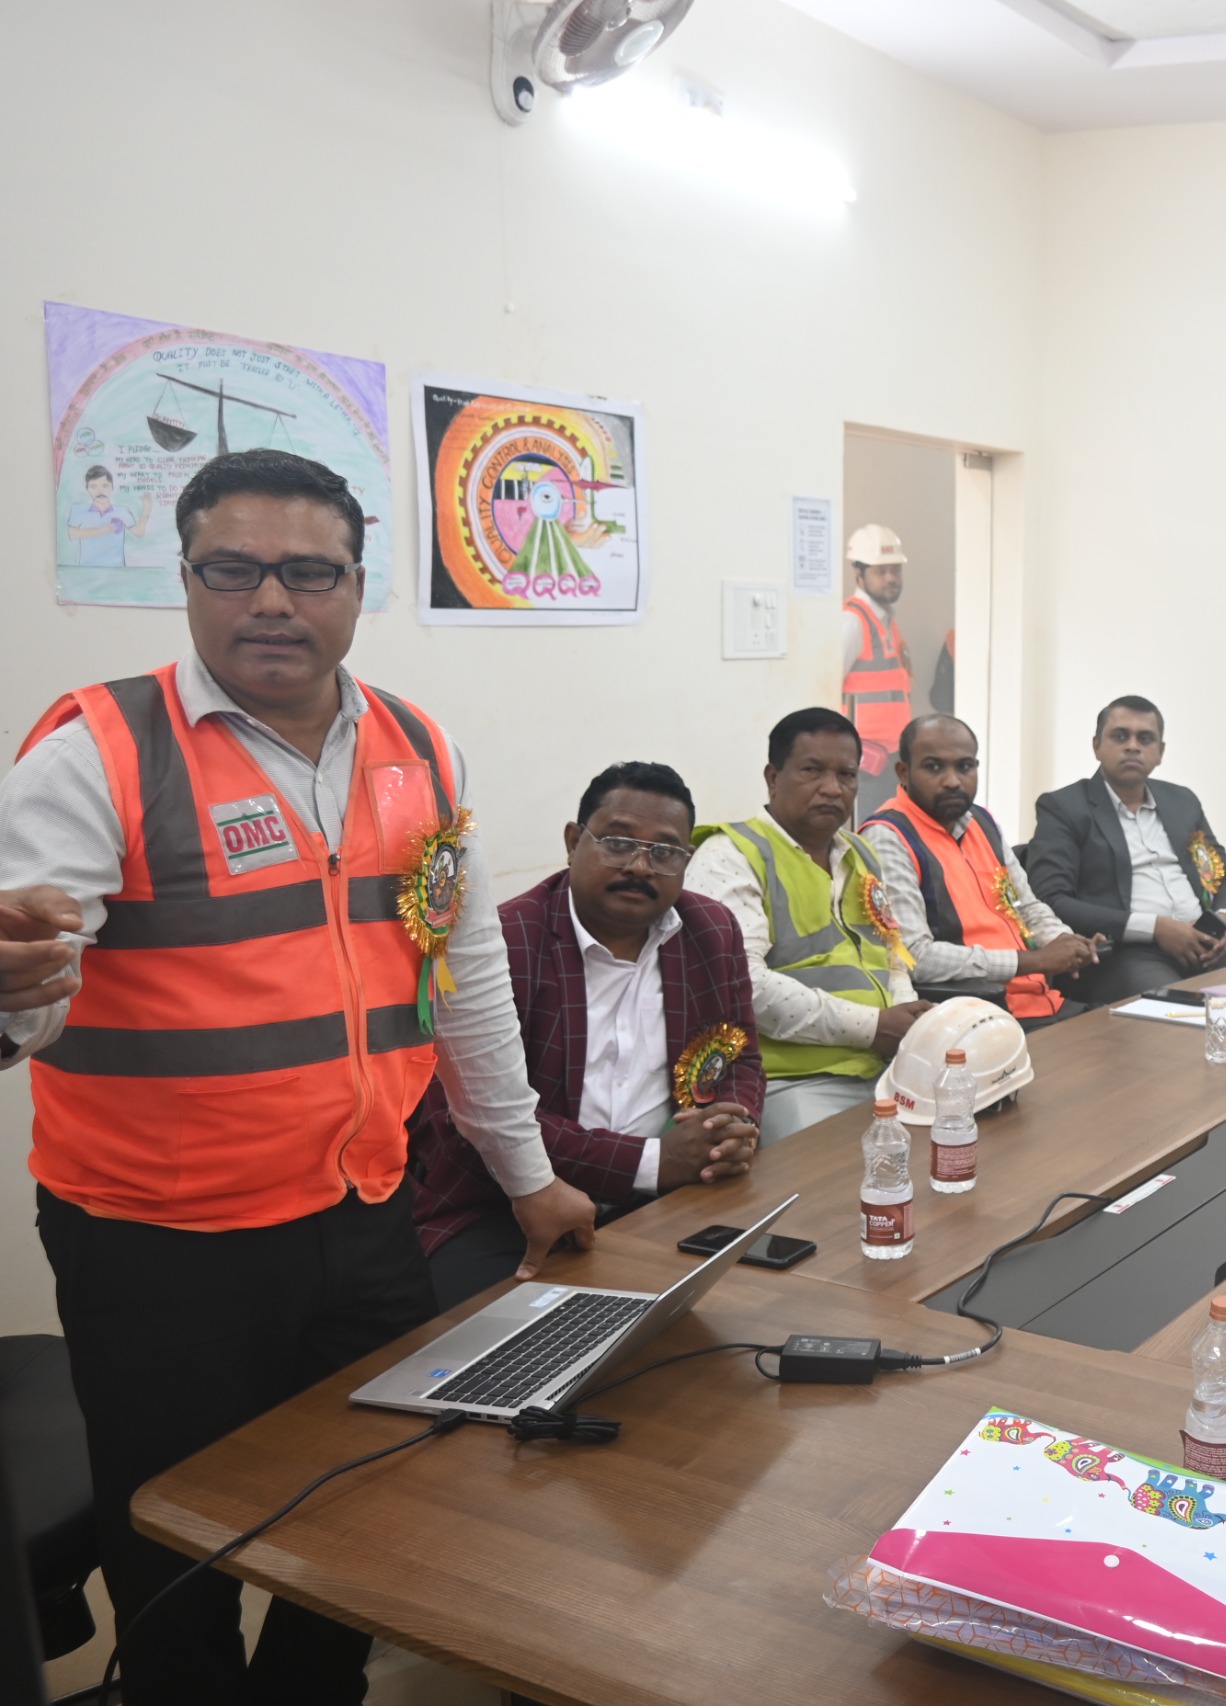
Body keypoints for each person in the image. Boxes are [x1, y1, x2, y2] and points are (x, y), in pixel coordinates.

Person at [0, 448, 594, 1703]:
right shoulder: (99, 749)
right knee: (174, 1538)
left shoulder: (419, 748)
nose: (271, 599)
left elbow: (465, 978)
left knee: (375, 1498)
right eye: (233, 568)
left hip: (364, 1208)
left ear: (357, 584)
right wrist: (12, 992)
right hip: (156, 1240)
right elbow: (29, 980)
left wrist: (526, 1172)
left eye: (309, 571)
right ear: (186, 579)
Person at [410, 762, 763, 1309]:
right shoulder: (505, 941)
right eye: (618, 843)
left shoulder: (710, 930)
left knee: (748, 1308)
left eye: (665, 852)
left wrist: (726, 1130)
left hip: (674, 1195)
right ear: (574, 841)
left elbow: (739, 1060)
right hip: (503, 1203)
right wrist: (649, 1162)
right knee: (511, 1336)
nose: (640, 867)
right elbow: (465, 1110)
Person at [686, 708, 933, 1141]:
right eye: (812, 771)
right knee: (836, 1173)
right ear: (773, 778)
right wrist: (873, 1027)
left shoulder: (859, 854)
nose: (832, 788)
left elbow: (892, 957)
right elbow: (743, 986)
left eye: (846, 775)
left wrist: (909, 1024)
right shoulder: (731, 855)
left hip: (885, 1067)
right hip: (791, 1081)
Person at [862, 714, 1105, 1023]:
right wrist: (1034, 961)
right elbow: (914, 956)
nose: (952, 781)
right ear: (903, 772)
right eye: (934, 767)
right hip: (978, 1017)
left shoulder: (982, 822)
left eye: (964, 767)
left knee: (1131, 1036)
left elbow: (1026, 905)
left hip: (1043, 1002)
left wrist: (1063, 942)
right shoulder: (888, 836)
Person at [1026, 695, 1226, 1005]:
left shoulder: (1182, 803)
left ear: (1160, 752)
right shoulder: (1064, 807)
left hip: (1206, 949)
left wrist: (1223, 921)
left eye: (1145, 738)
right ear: (1096, 745)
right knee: (1177, 1013)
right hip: (1126, 955)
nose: (1133, 746)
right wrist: (1156, 928)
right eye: (1120, 736)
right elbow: (1051, 899)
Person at [841, 522, 913, 819]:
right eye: (881, 572)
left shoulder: (886, 622)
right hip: (864, 763)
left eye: (895, 570)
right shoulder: (852, 623)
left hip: (890, 759)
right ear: (859, 574)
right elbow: (824, 689)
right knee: (866, 833)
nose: (890, 578)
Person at [63, 464, 152, 567]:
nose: (100, 491)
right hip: (88, 569)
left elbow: (139, 532)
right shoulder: (78, 510)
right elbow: (72, 534)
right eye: (93, 487)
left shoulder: (122, 511)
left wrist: (147, 510)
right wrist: (102, 530)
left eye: (105, 486)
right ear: (87, 488)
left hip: (117, 569)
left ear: (112, 487)